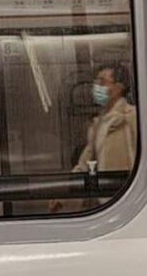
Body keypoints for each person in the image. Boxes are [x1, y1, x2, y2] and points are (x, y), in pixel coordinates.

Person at [51, 63, 137, 212]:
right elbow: (85, 164)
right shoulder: (99, 124)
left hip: (128, 201)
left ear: (118, 88)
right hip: (106, 203)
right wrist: (63, 194)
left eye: (103, 82)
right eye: (96, 82)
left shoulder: (132, 117)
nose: (97, 87)